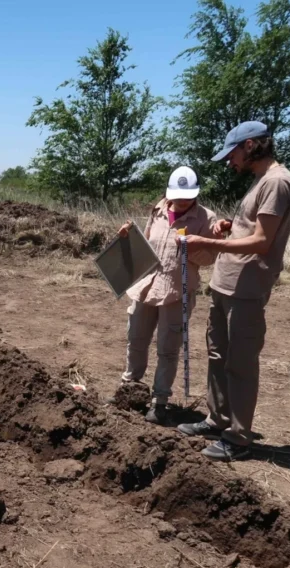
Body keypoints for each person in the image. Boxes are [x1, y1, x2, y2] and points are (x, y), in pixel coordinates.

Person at [177, 121, 290, 461]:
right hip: (227, 282)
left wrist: (204, 241)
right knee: (218, 356)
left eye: (231, 154)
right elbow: (253, 229)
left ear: (249, 146)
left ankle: (239, 437)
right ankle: (217, 420)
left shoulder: (276, 182)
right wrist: (230, 227)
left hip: (247, 287)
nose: (230, 162)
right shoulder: (261, 182)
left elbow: (262, 242)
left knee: (240, 363)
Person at [117, 167, 217, 424]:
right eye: (177, 195)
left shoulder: (206, 218)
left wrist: (191, 247)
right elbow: (148, 243)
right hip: (147, 286)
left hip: (177, 291)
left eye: (187, 196)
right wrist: (130, 236)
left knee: (168, 349)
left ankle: (159, 402)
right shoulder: (158, 210)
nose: (182, 201)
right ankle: (129, 391)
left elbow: (208, 258)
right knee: (136, 340)